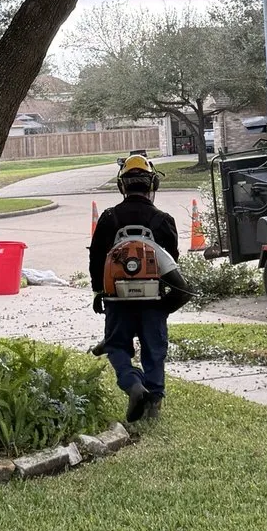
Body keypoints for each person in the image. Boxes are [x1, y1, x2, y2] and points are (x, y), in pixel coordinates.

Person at [89, 155, 180, 422]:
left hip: (116, 299)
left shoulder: (108, 218)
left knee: (117, 346)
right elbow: (172, 261)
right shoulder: (164, 220)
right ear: (152, 185)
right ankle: (153, 405)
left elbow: (96, 259)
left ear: (122, 186)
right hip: (154, 300)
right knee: (154, 349)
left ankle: (132, 384)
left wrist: (98, 292)